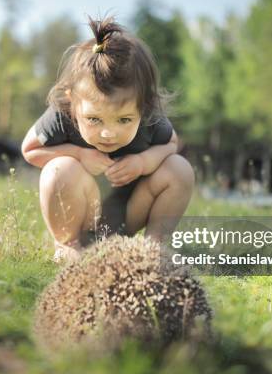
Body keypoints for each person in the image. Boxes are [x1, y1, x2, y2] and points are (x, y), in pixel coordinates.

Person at [21, 16, 194, 262]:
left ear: (143, 107)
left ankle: (153, 248)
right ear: (72, 101)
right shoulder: (62, 113)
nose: (108, 133)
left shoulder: (150, 118)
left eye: (124, 120)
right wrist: (78, 153)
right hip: (83, 215)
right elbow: (30, 149)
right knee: (59, 169)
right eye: (94, 119)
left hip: (129, 212)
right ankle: (69, 245)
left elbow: (172, 144)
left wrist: (144, 161)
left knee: (180, 169)